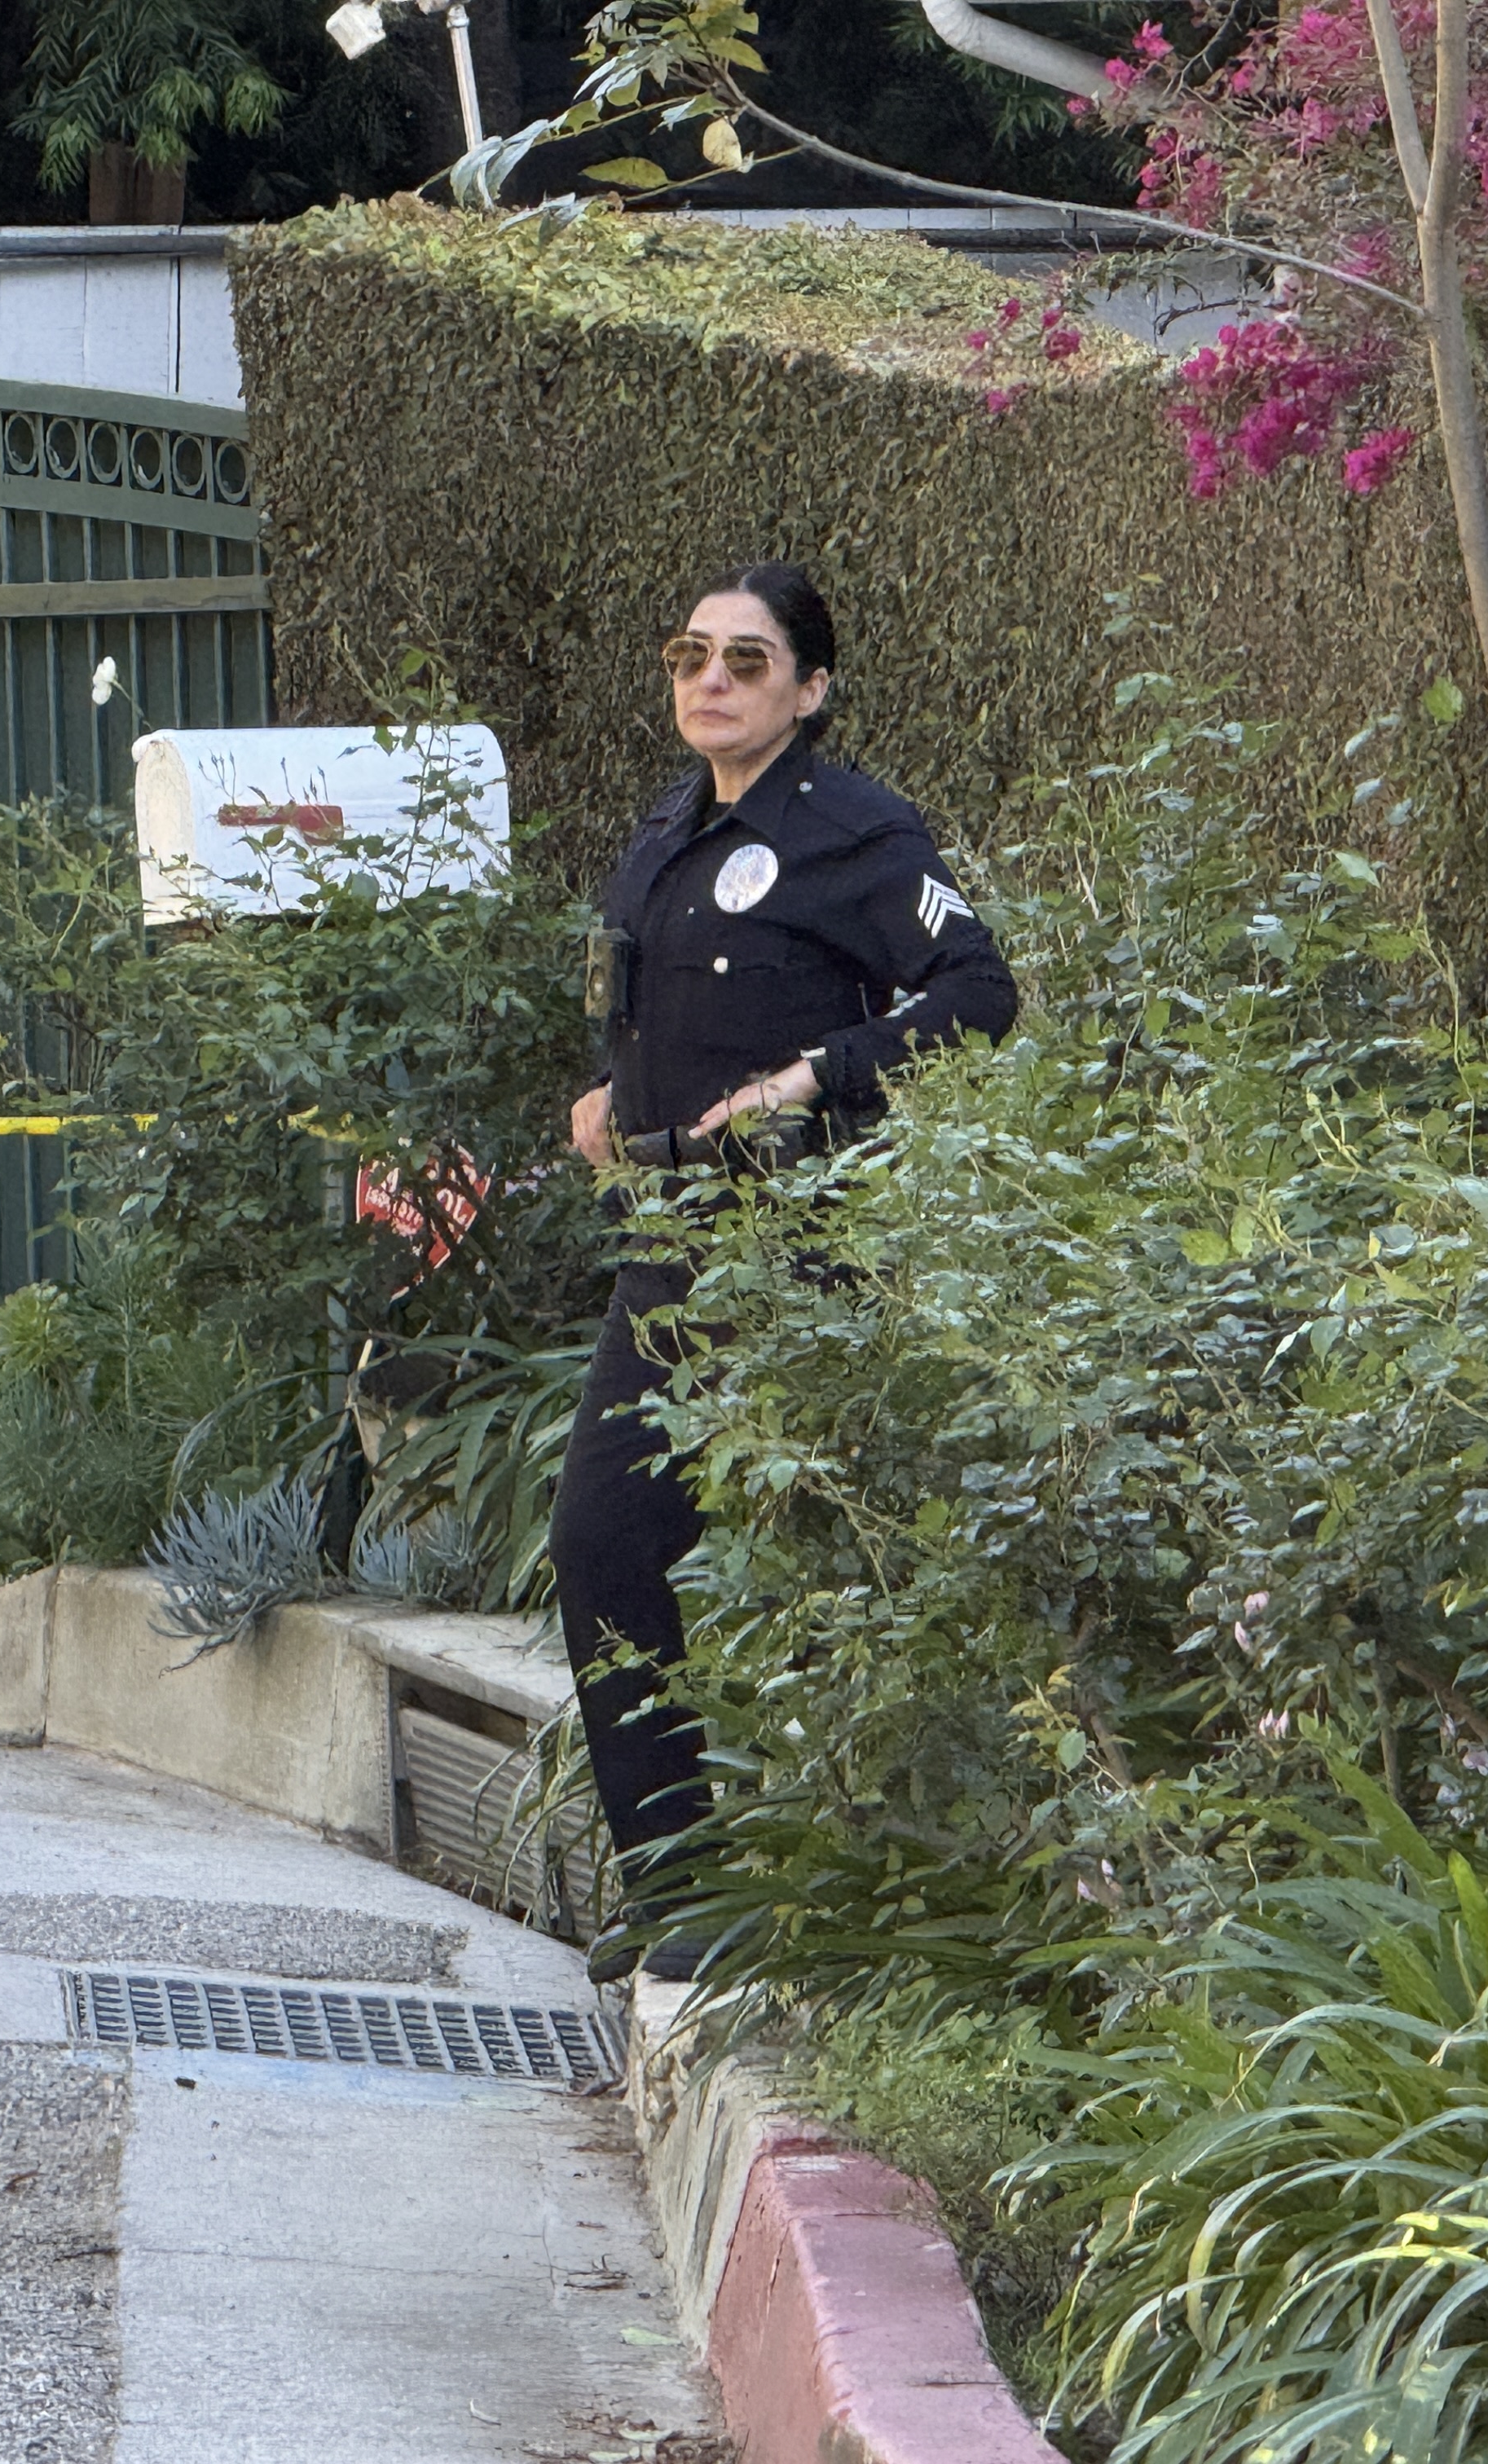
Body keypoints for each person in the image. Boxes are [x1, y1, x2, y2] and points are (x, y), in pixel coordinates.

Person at [551, 561, 1018, 1983]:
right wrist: (606, 1096)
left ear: (809, 691)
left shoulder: (857, 833)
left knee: (779, 1559)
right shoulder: (671, 827)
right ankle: (680, 1890)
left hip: (796, 1251)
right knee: (606, 1547)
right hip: (673, 1247)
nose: (711, 679)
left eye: (747, 662)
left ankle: (848, 1898)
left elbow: (979, 996)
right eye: (692, 652)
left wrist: (815, 1077)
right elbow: (657, 1000)